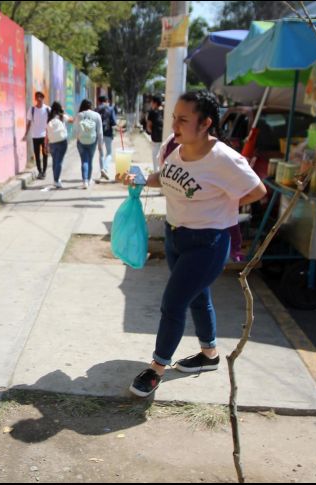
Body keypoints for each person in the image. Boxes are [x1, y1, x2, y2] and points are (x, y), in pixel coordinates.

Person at [118, 90, 267, 398]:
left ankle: (157, 368)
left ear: (205, 123)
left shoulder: (224, 159)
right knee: (197, 296)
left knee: (173, 303)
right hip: (176, 237)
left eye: (183, 119)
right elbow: (167, 176)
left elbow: (257, 191)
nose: (175, 124)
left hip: (207, 243)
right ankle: (209, 355)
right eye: (174, 117)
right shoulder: (176, 146)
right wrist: (142, 180)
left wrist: (223, 206)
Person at [74, 99, 104, 189]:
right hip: (92, 141)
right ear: (91, 106)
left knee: (84, 160)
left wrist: (78, 138)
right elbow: (100, 132)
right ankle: (89, 179)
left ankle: (85, 181)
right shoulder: (97, 115)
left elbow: (75, 130)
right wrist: (100, 144)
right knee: (90, 160)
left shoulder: (79, 115)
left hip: (81, 141)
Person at [22, 91, 51, 179]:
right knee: (37, 155)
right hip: (35, 136)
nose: (39, 99)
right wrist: (25, 134)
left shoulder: (48, 109)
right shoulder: (32, 110)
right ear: (35, 99)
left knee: (45, 154)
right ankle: (40, 171)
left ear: (43, 98)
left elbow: (51, 122)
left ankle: (44, 171)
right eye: (37, 97)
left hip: (45, 135)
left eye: (41, 97)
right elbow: (29, 123)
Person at [45, 101, 72, 189]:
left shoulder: (49, 118)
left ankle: (56, 179)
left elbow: (47, 133)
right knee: (59, 161)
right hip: (62, 141)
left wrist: (46, 145)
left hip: (52, 142)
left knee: (55, 161)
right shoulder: (62, 116)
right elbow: (72, 120)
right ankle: (56, 181)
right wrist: (64, 112)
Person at [95, 95, 117, 180]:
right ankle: (105, 168)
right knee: (109, 153)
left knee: (100, 153)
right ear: (106, 100)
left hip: (98, 133)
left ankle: (102, 171)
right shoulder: (110, 109)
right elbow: (114, 122)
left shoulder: (96, 109)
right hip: (108, 133)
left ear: (98, 101)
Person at [146, 95, 164, 171]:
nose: (151, 104)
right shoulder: (164, 111)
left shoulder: (152, 112)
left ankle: (156, 171)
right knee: (163, 154)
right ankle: (162, 171)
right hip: (164, 137)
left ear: (155, 103)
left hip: (155, 138)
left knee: (155, 155)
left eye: (152, 102)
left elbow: (148, 126)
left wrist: (150, 132)